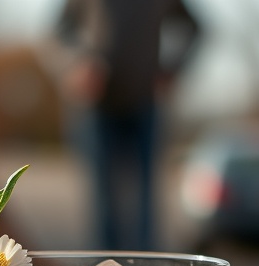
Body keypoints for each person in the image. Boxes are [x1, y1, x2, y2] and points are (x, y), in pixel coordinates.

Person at [52, 0, 201, 250]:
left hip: (145, 105)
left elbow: (194, 28)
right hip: (97, 106)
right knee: (104, 201)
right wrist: (76, 65)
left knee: (146, 201)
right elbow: (58, 33)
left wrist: (173, 70)